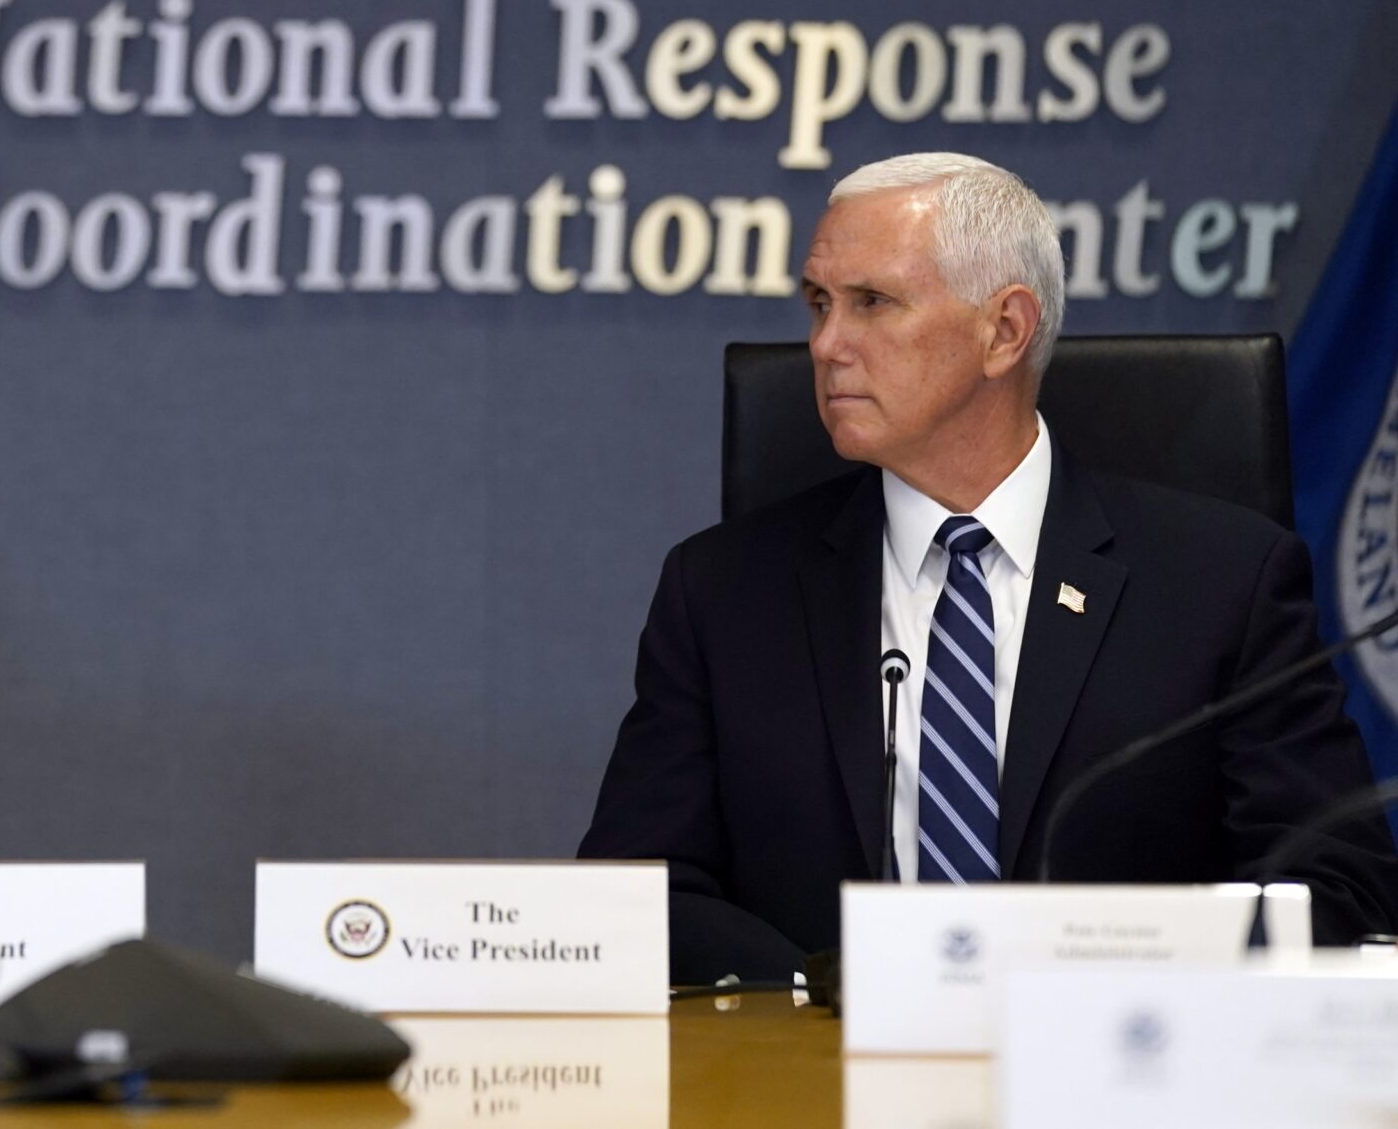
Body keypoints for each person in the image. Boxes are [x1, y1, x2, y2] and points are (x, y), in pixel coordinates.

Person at [579, 153, 1398, 981]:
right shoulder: (721, 593)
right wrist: (824, 987)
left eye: (873, 303)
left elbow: (1338, 885)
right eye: (820, 303)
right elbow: (639, 894)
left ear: (1004, 330)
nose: (826, 345)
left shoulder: (1223, 582)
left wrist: (1117, 972)